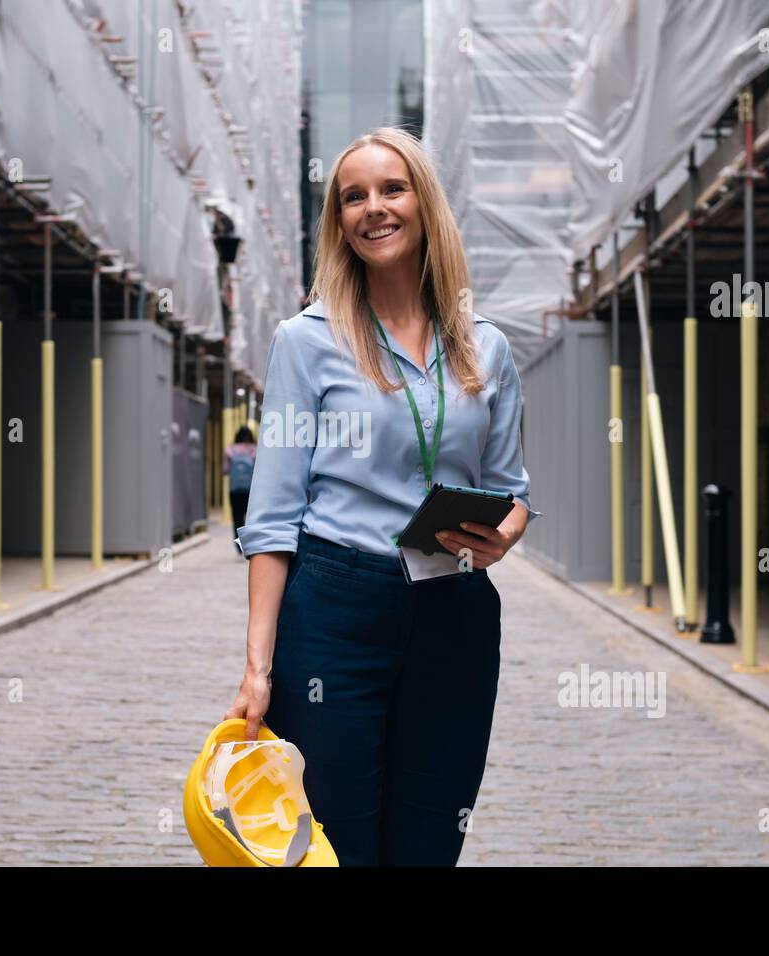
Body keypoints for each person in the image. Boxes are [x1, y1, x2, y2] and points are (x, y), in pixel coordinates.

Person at [226, 127, 532, 866]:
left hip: (454, 607)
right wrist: (258, 669)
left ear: (424, 204)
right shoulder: (306, 341)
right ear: (338, 222)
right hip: (334, 608)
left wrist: (504, 534)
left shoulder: (484, 346)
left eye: (391, 189)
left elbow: (512, 491)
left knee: (430, 840)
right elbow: (271, 520)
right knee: (337, 842)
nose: (373, 208)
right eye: (352, 197)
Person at [223, 425, 257, 546]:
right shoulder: (255, 450)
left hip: (235, 490)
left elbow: (225, 470)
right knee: (251, 517)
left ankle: (239, 545)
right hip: (251, 490)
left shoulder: (230, 450)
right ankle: (251, 544)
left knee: (237, 517)